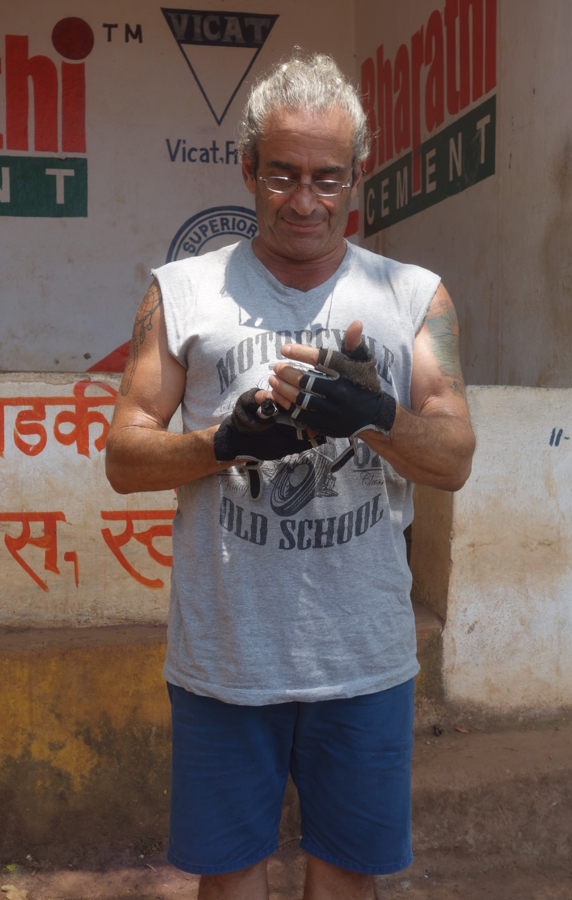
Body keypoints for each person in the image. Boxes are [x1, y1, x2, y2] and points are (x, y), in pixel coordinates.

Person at [106, 52, 475, 900]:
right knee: (231, 878)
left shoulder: (413, 297)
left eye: (326, 177)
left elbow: (454, 458)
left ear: (356, 177)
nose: (305, 200)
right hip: (226, 656)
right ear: (247, 168)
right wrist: (223, 443)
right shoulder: (182, 291)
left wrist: (374, 417)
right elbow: (123, 457)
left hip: (364, 658)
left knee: (345, 878)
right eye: (282, 174)